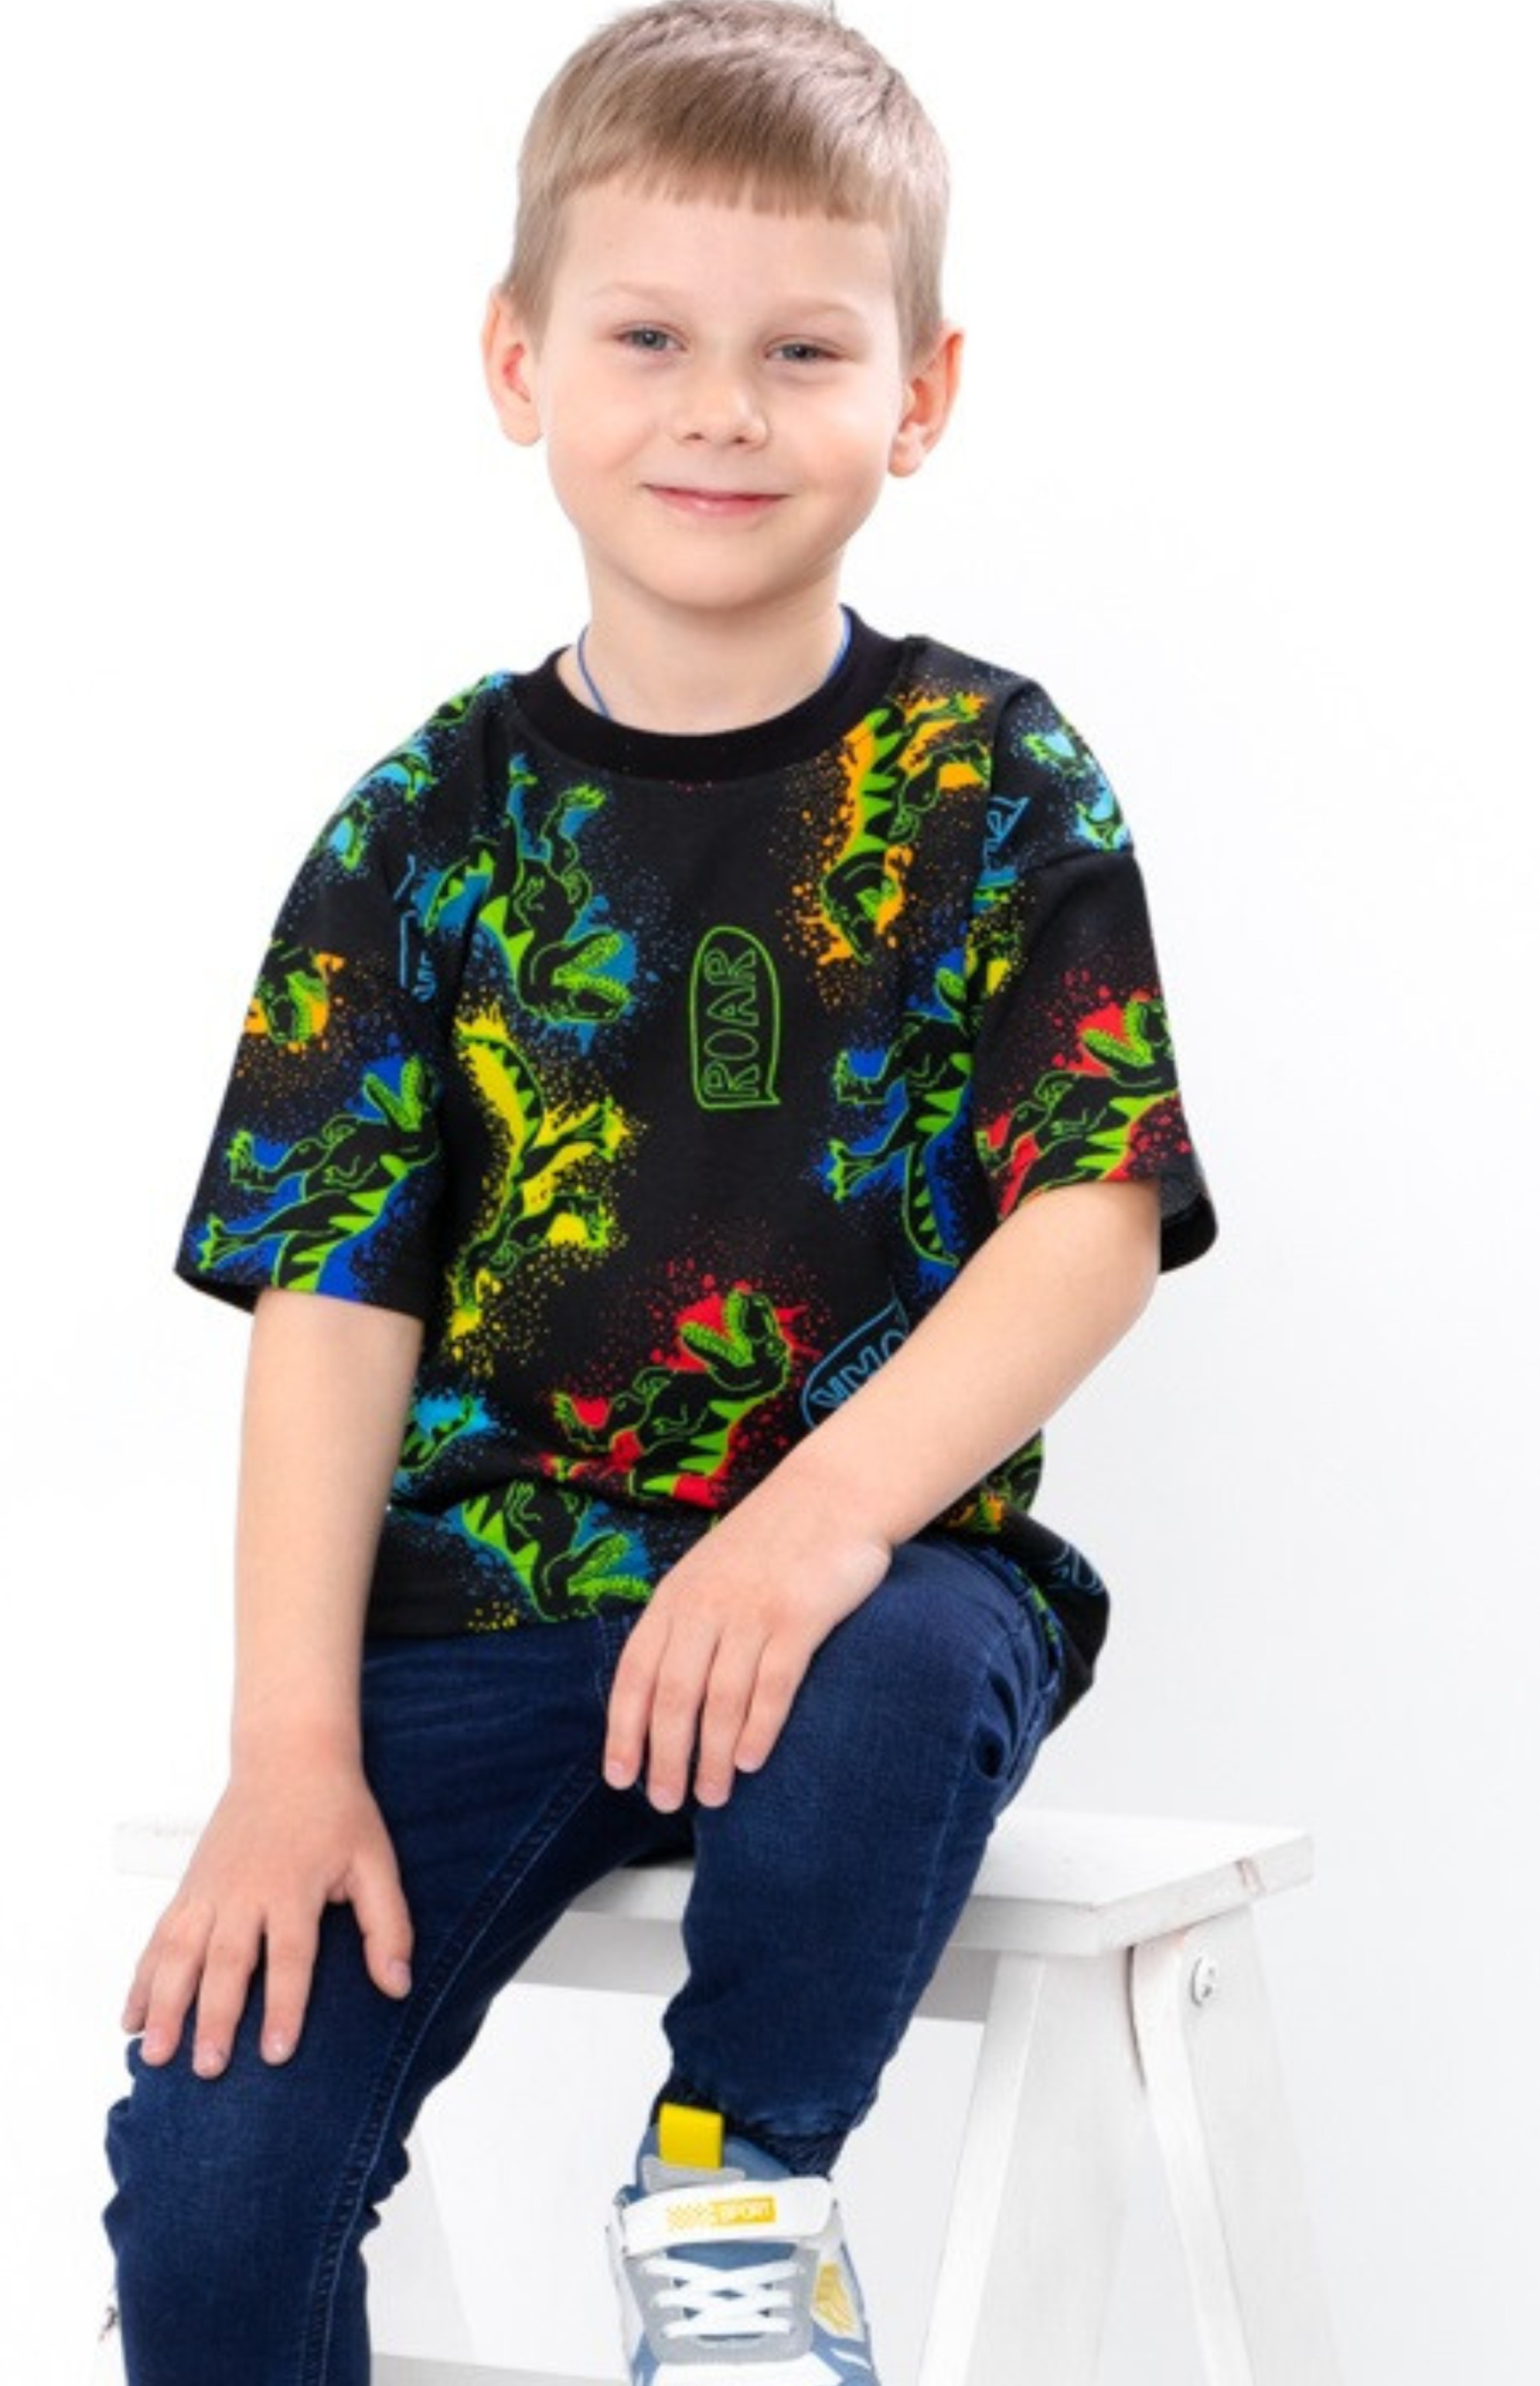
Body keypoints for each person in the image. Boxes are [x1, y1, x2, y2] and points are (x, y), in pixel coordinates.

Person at [101, 4, 1217, 2378]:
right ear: (519, 363)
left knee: (900, 1668)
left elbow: (1089, 1214)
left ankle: (729, 2209)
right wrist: (286, 1742)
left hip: (869, 1584)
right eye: (648, 339)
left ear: (917, 396)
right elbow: (330, 1291)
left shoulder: (992, 779)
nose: (722, 406)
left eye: (800, 348)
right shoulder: (424, 827)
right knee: (212, 2166)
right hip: (490, 1605)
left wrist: (807, 1528)